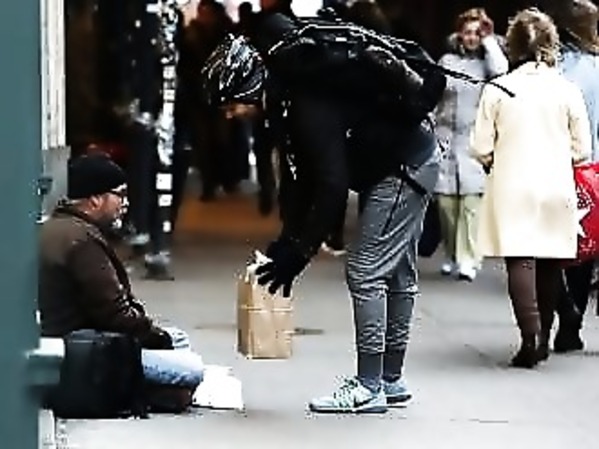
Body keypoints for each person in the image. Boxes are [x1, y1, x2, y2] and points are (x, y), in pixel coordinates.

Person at [202, 9, 446, 413]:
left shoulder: (303, 105)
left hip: (402, 166)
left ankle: (369, 387)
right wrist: (289, 240)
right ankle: (390, 380)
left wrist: (301, 252)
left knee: (366, 271)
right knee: (397, 272)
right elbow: (302, 177)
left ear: (248, 87)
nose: (230, 115)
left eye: (230, 105)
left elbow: (331, 185)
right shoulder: (288, 98)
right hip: (410, 156)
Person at [470, 7, 592, 368]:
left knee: (520, 257)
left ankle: (530, 336)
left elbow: (480, 146)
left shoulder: (499, 89)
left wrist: (494, 160)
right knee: (551, 259)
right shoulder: (566, 89)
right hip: (556, 181)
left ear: (513, 44)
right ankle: (545, 338)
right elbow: (582, 149)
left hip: (512, 182)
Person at [38, 154, 204, 388]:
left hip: (79, 342)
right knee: (192, 369)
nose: (125, 203)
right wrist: (157, 337)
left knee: (179, 339)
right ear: (96, 199)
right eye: (120, 194)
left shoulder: (61, 227)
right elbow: (116, 315)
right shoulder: (82, 241)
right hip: (88, 354)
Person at [434, 7, 508, 281]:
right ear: (459, 34)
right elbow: (435, 92)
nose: (472, 38)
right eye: (468, 32)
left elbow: (501, 70)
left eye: (478, 33)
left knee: (471, 204)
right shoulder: (447, 60)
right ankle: (452, 254)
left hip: (473, 139)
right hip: (445, 138)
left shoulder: (487, 63)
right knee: (446, 205)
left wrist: (489, 40)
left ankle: (469, 259)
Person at [544, 0, 599, 353]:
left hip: (554, 164)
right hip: (593, 169)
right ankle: (571, 326)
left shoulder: (553, 69)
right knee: (586, 248)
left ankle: (561, 308)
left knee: (550, 247)